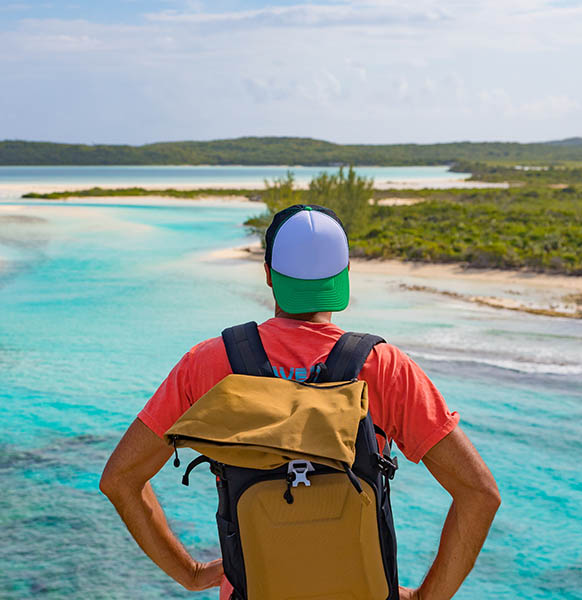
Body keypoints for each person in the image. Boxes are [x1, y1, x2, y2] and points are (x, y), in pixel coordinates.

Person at [100, 204, 501, 600]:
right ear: (344, 275)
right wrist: (424, 598)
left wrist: (190, 574)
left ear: (269, 276)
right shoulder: (385, 367)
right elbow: (479, 494)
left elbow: (120, 479)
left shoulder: (209, 363)